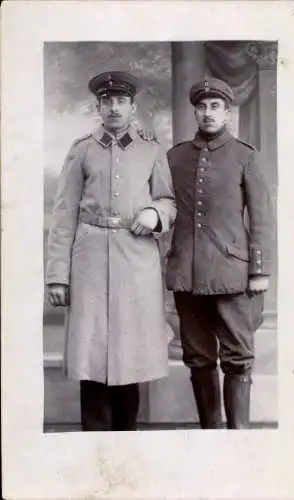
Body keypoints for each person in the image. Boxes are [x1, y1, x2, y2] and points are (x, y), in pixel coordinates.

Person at [46, 71, 176, 431]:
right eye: (107, 101)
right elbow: (63, 214)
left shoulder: (151, 149)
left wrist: (154, 213)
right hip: (89, 259)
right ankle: (94, 444)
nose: (114, 107)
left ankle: (126, 439)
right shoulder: (82, 149)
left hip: (136, 260)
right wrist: (57, 274)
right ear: (99, 106)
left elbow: (167, 199)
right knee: (91, 352)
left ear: (132, 107)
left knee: (131, 354)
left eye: (121, 101)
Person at [166, 77, 273, 429]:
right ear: (195, 111)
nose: (208, 113)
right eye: (202, 107)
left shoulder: (245, 155)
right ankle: (210, 434)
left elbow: (261, 218)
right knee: (198, 358)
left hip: (232, 273)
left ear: (228, 113)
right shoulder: (175, 156)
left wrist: (259, 271)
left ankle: (238, 436)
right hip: (188, 274)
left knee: (238, 357)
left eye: (215, 107)